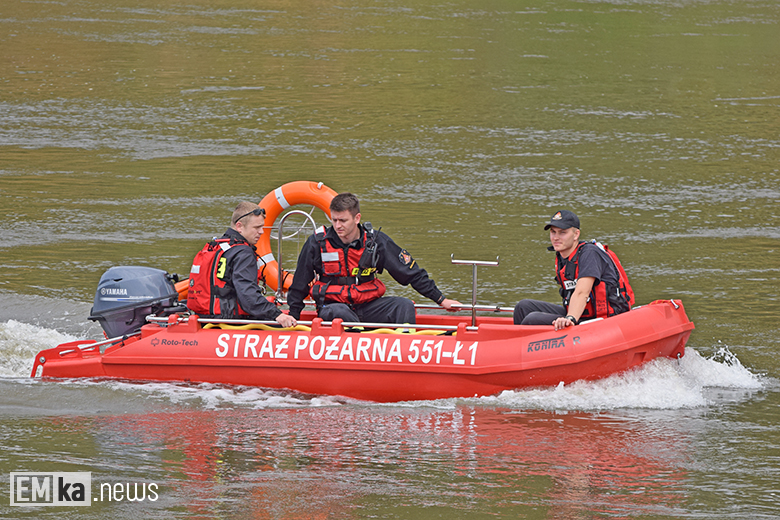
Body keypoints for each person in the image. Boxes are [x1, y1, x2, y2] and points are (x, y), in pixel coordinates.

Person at [286, 192, 460, 324]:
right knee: (339, 312)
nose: (338, 226)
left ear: (357, 218)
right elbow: (299, 284)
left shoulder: (377, 242)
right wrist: (293, 316)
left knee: (404, 305)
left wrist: (441, 299)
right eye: (334, 220)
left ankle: (404, 351)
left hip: (367, 306)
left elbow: (411, 273)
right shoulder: (317, 243)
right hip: (332, 307)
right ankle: (363, 346)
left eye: (343, 220)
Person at [514, 210, 632, 330]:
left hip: (601, 319)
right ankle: (516, 345)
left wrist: (570, 318)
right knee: (523, 307)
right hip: (581, 314)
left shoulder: (589, 254)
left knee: (532, 319)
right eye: (553, 232)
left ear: (576, 234)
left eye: (562, 233)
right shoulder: (562, 256)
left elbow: (582, 292)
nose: (556, 238)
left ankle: (530, 347)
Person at [187, 201, 297, 328]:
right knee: (285, 328)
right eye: (257, 228)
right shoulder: (243, 253)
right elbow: (248, 295)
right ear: (239, 227)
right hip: (231, 321)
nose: (261, 232)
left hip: (205, 319)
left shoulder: (217, 246)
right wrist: (277, 315)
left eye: (262, 227)